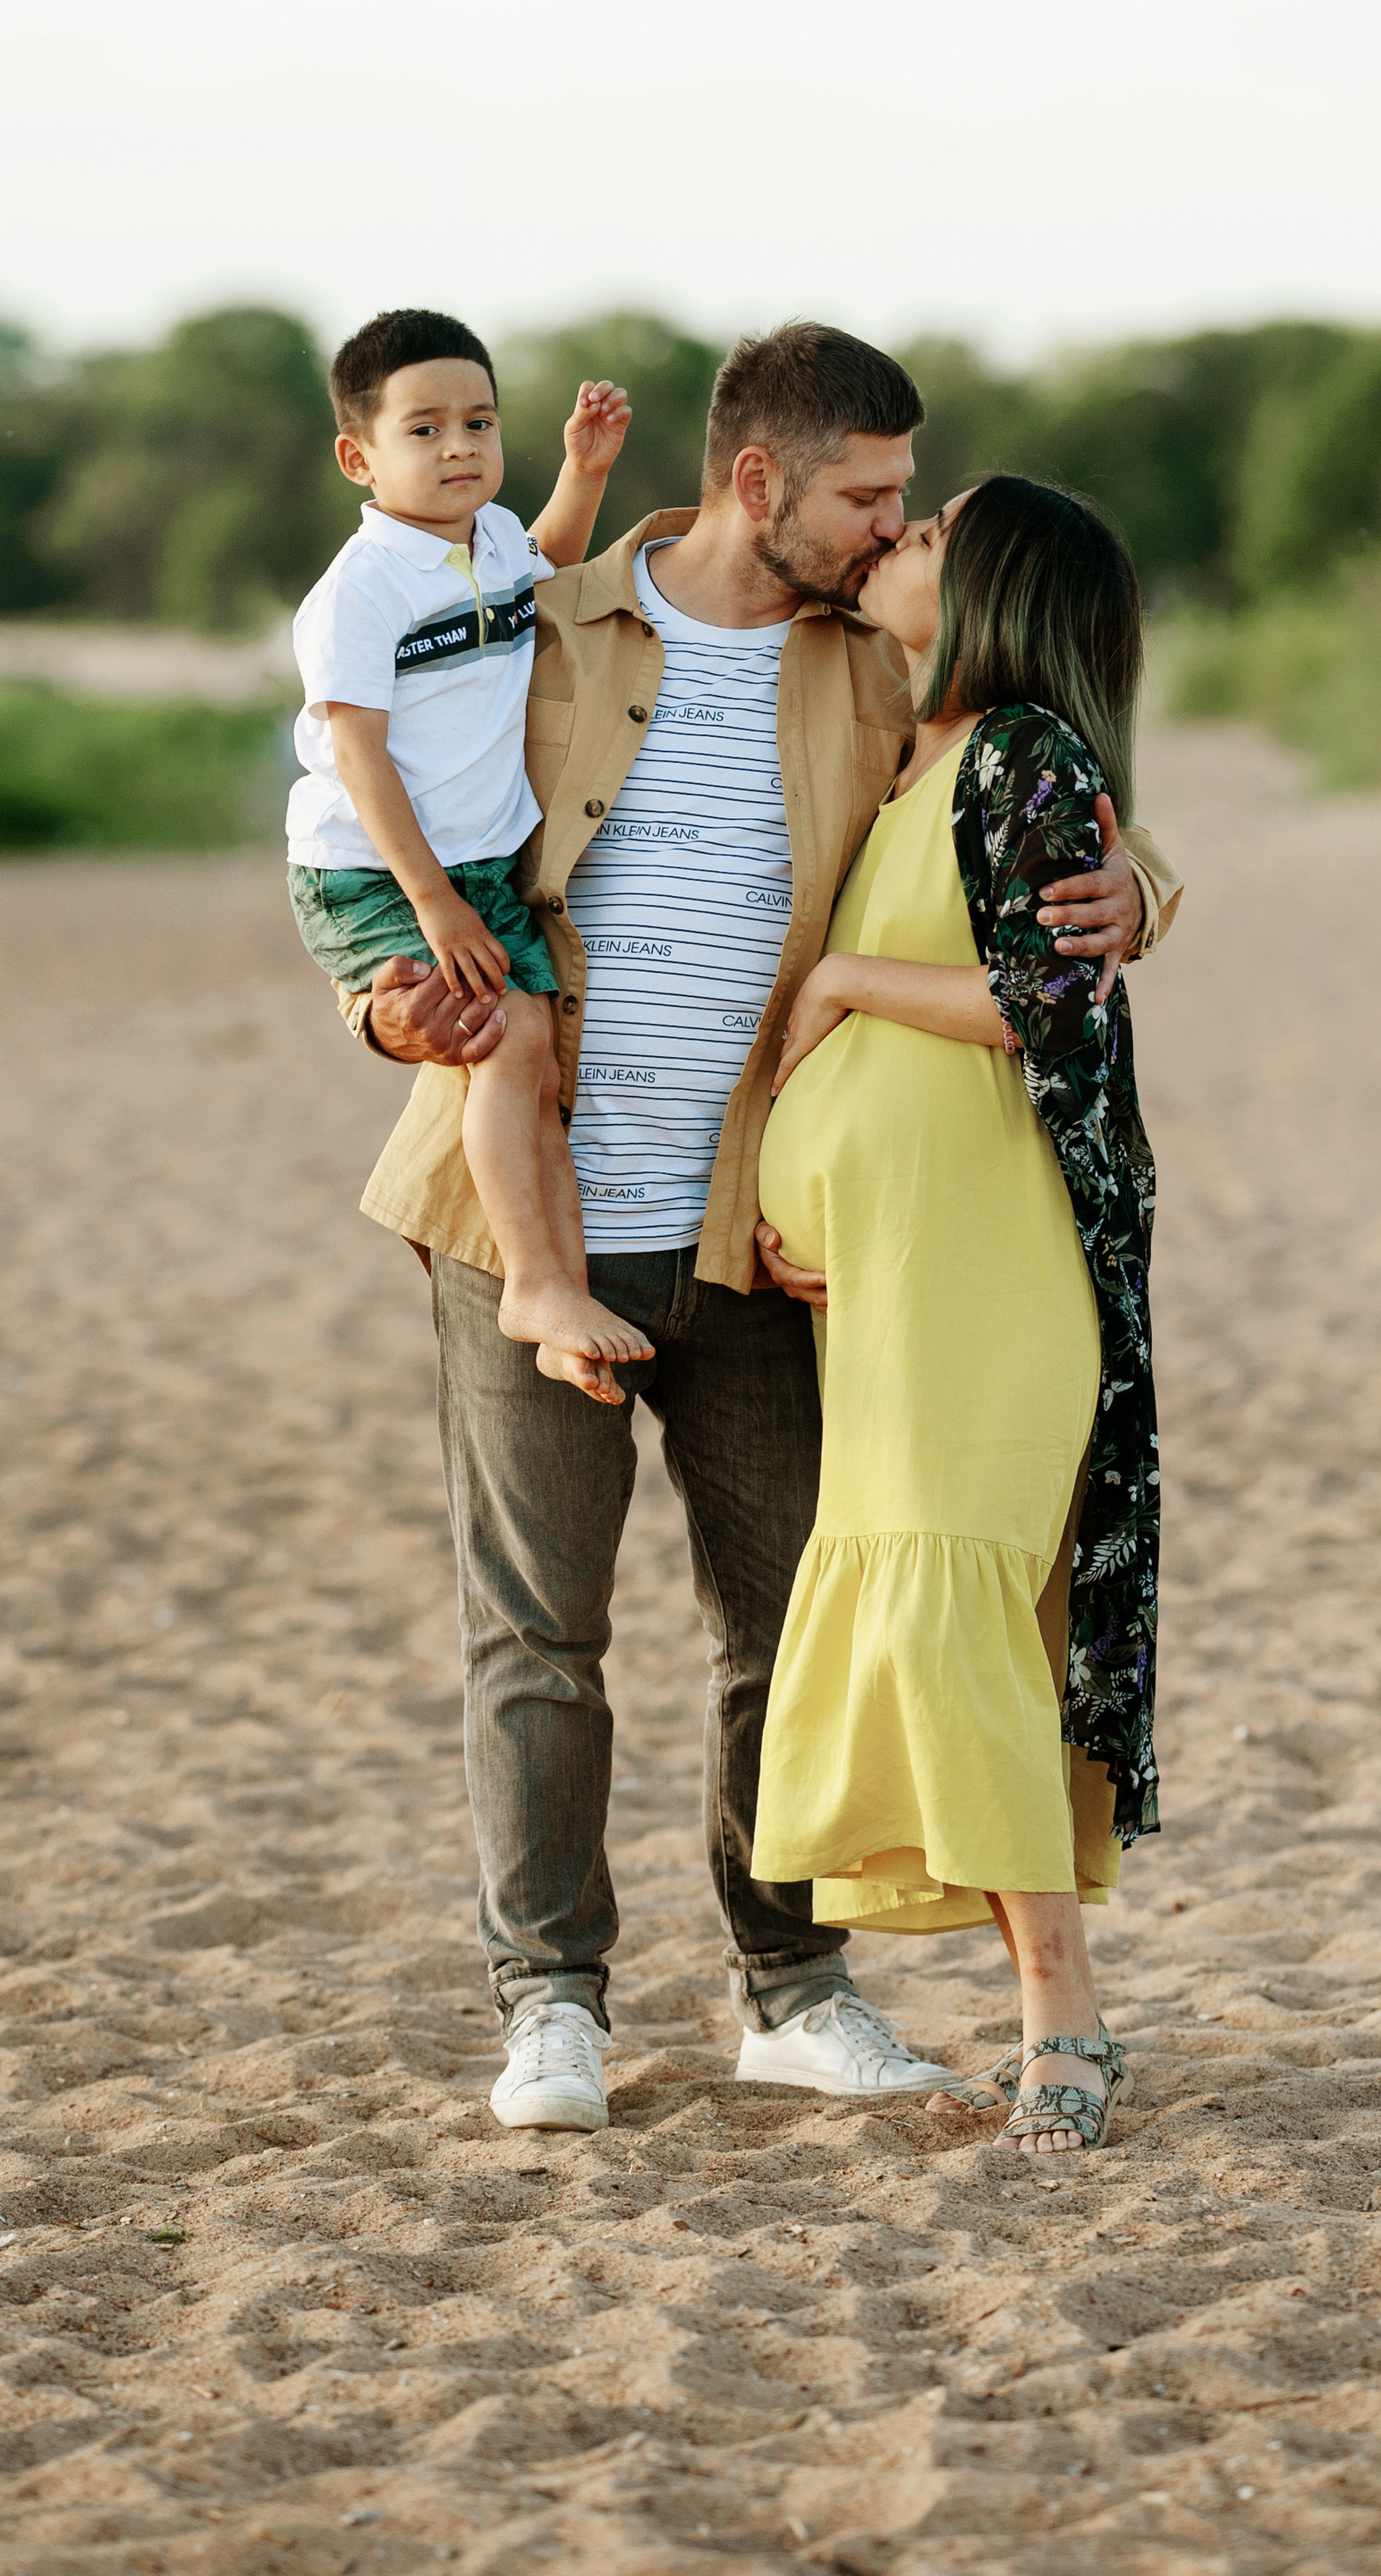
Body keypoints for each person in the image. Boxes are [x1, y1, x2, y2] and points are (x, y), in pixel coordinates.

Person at [339, 327, 1182, 2134]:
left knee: (786, 1620)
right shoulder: (537, 622)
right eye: (867, 496)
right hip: (527, 1214)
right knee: (536, 1633)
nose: (889, 529)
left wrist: (1144, 888)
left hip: (753, 1241)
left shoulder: (873, 661)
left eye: (905, 502)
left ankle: (791, 1990)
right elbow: (373, 821)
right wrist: (383, 1003)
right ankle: (550, 2006)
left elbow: (1034, 787)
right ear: (754, 481)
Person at [750, 475, 1160, 2157]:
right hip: (894, 1275)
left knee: (955, 1618)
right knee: (943, 1628)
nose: (900, 539)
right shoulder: (912, 747)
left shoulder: (1021, 751)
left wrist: (840, 988)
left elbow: (1044, 1001)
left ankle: (1065, 2013)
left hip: (989, 1259)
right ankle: (1051, 2002)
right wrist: (800, 1179)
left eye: (933, 532)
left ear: (991, 585)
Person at [286, 308, 650, 1392]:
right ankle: (531, 1283)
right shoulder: (361, 588)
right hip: (375, 871)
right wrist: (434, 904)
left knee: (536, 1065)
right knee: (508, 1041)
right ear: (359, 456)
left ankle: (558, 1299)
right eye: (425, 428)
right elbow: (358, 758)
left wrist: (585, 471)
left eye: (479, 422)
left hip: (476, 867)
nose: (458, 447)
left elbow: (548, 566)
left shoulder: (492, 540)